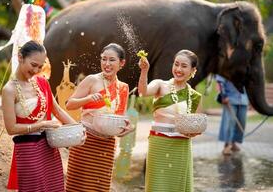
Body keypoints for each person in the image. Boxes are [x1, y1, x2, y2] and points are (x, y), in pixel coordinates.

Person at [2, 40, 76, 191]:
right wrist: (42, 124)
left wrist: (78, 128)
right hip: (28, 150)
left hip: (50, 147)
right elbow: (11, 128)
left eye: (40, 67)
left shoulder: (42, 82)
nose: (36, 70)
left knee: (54, 187)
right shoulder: (9, 90)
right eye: (33, 65)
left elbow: (58, 111)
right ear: (20, 57)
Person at [65, 43, 132, 191]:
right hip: (85, 141)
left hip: (107, 145)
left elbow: (119, 117)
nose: (106, 64)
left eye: (112, 60)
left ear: (121, 63)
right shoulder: (92, 80)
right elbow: (69, 104)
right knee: (79, 186)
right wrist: (88, 99)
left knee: (99, 187)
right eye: (103, 59)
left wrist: (125, 128)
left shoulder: (123, 88)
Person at [138, 49, 202, 192]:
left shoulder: (195, 96)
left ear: (193, 70)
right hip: (159, 144)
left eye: (184, 66)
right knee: (156, 186)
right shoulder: (160, 85)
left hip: (181, 146)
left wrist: (194, 133)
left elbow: (198, 125)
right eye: (176, 64)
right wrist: (144, 71)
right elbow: (143, 92)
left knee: (176, 187)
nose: (178, 69)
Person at [215, 75, 248, 155]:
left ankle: (233, 143)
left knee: (241, 121)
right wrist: (224, 95)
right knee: (229, 122)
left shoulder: (247, 65)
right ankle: (227, 144)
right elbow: (220, 80)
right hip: (230, 98)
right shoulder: (227, 65)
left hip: (243, 99)